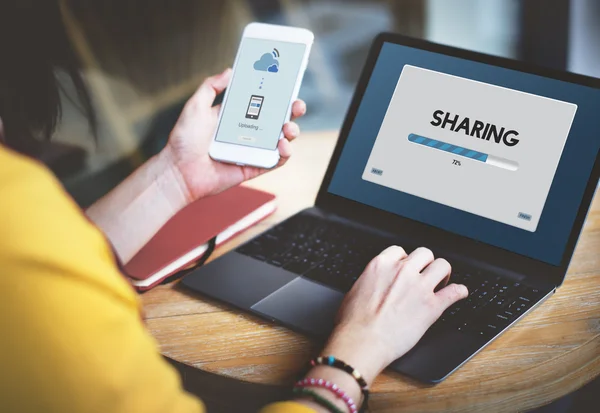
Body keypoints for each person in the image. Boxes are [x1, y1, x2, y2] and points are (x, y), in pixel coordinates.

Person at [0, 2, 468, 412]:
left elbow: (55, 254)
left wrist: (175, 176)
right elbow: (33, 266)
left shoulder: (21, 207)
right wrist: (361, 347)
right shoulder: (17, 219)